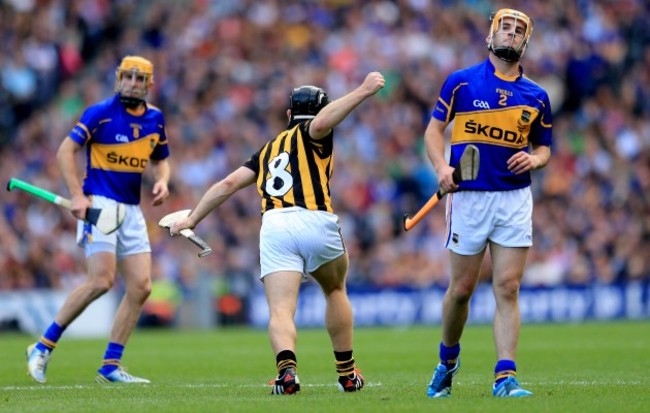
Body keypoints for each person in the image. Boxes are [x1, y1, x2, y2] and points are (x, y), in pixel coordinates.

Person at [169, 72, 385, 395]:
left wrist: (193, 218)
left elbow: (227, 184)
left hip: (274, 225)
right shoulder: (313, 131)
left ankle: (287, 375)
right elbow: (322, 124)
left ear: (288, 115)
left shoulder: (267, 150)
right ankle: (347, 374)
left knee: (281, 309)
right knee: (336, 290)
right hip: (315, 219)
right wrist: (364, 91)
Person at [423, 8, 552, 398]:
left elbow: (544, 148)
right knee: (461, 289)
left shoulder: (537, 95)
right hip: (469, 199)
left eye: (518, 31)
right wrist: (441, 166)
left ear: (525, 43)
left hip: (513, 197)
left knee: (508, 287)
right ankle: (447, 361)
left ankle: (505, 376)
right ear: (490, 35)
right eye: (505, 28)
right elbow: (433, 131)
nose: (511, 35)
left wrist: (534, 159)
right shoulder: (460, 83)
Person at [26, 55, 171, 384]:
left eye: (139, 79)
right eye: (127, 77)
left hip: (132, 211)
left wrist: (163, 180)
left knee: (141, 287)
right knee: (101, 281)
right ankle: (42, 345)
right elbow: (65, 151)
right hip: (100, 205)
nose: (132, 83)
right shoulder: (100, 113)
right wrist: (77, 194)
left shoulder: (155, 119)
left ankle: (110, 365)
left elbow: (162, 159)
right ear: (119, 78)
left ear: (149, 84)